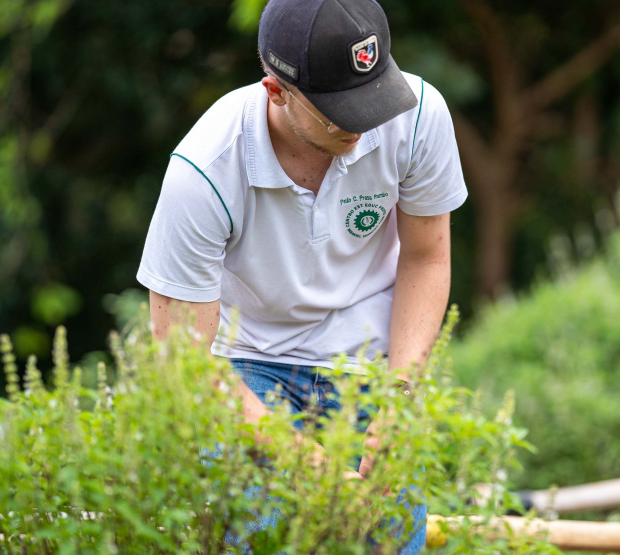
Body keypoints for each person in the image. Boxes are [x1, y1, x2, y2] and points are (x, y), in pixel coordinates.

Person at [137, 0, 467, 551]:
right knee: (259, 534)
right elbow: (181, 358)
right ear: (276, 91)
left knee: (387, 534)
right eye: (340, 112)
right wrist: (303, 460)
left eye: (373, 98)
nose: (363, 125)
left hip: (370, 360)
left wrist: (401, 397)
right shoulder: (205, 171)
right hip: (245, 363)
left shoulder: (416, 116)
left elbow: (425, 258)